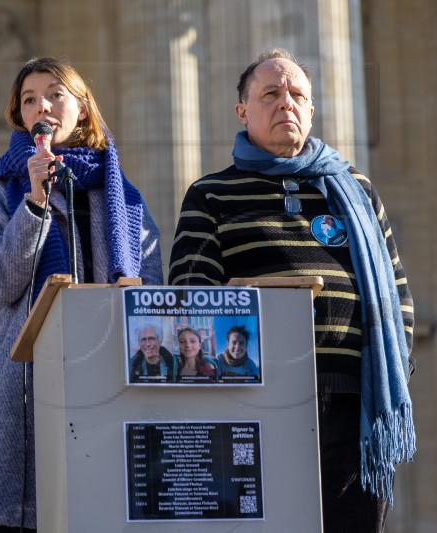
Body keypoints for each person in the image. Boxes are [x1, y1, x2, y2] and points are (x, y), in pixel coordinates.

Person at [167, 48, 415, 532]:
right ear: (243, 111)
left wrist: (395, 368)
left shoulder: (355, 190)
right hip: (257, 406)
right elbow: (189, 299)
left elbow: (397, 292)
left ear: (312, 109)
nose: (287, 104)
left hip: (352, 402)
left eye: (297, 94)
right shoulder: (211, 194)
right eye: (271, 94)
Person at [0, 56, 163, 532]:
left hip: (112, 386)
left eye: (55, 94)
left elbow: (152, 293)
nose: (42, 107)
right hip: (29, 394)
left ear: (83, 109)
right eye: (29, 100)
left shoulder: (126, 200)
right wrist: (34, 204)